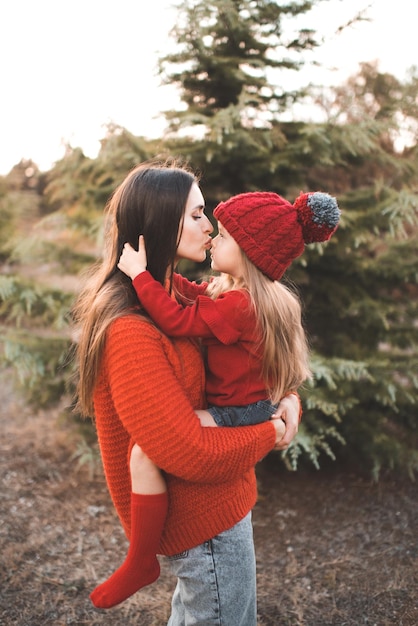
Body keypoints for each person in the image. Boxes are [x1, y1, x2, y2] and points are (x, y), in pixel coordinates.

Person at [90, 181, 340, 610]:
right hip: (206, 531)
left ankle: (140, 560)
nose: (208, 227)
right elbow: (189, 450)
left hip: (225, 509)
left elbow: (255, 358)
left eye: (211, 218)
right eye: (196, 214)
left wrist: (289, 401)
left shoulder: (206, 296)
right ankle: (140, 559)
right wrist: (272, 428)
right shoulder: (132, 330)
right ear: (160, 223)